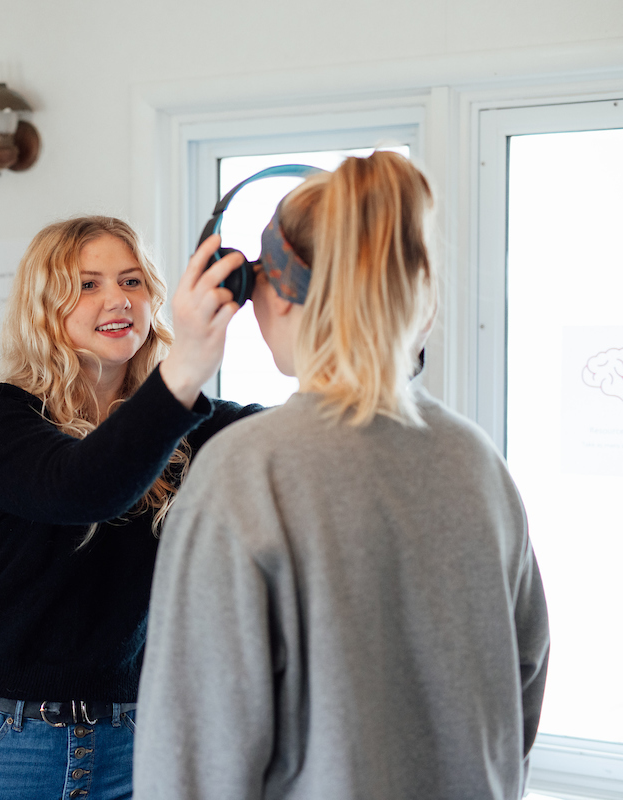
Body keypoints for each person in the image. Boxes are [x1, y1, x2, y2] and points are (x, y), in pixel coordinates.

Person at [133, 152, 550, 800]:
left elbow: (193, 758)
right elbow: (519, 694)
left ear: (278, 290)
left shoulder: (248, 472)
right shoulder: (475, 462)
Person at [0, 216, 265, 800]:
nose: (117, 300)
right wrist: (187, 371)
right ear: (46, 305)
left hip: (128, 743)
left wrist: (368, 332)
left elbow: (307, 434)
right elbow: (82, 489)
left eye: (131, 281)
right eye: (88, 284)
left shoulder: (187, 424)